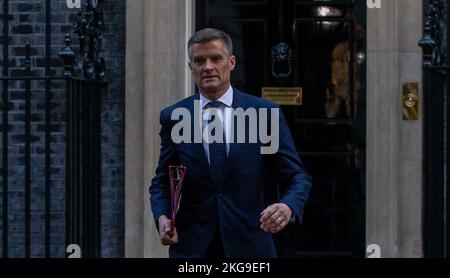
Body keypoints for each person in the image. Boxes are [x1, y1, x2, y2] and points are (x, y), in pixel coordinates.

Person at [149, 28, 311, 258]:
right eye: (199, 60)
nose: (207, 67)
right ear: (190, 67)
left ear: (231, 62)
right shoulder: (174, 116)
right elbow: (162, 181)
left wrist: (287, 206)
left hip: (251, 245)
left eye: (216, 58)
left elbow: (297, 176)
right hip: (193, 246)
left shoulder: (264, 114)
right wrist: (163, 217)